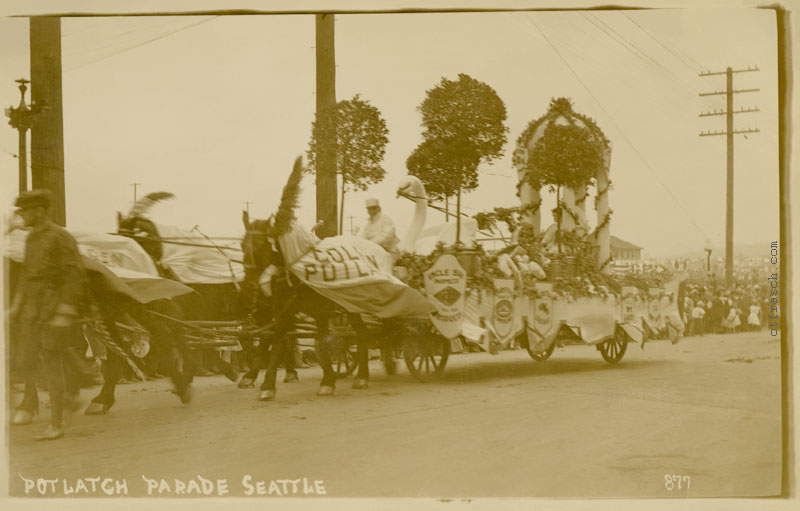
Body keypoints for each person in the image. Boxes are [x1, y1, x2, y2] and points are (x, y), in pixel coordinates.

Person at [8, 190, 87, 440]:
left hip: (53, 307)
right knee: (25, 361)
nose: (22, 216)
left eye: (26, 211)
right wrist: (15, 307)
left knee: (52, 363)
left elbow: (74, 276)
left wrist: (64, 312)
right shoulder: (31, 239)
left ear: (39, 211)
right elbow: (26, 275)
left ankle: (56, 424)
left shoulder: (60, 237)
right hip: (32, 309)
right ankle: (67, 400)